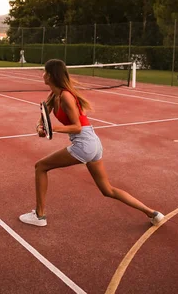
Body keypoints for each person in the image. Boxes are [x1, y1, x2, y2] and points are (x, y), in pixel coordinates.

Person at [19, 59, 164, 227]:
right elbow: (44, 113)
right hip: (93, 144)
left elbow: (77, 127)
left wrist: (52, 129)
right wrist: (40, 127)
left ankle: (39, 216)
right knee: (107, 189)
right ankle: (152, 213)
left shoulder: (66, 96)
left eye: (44, 72)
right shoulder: (54, 95)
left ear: (50, 76)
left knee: (41, 167)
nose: (42, 75)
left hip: (84, 143)